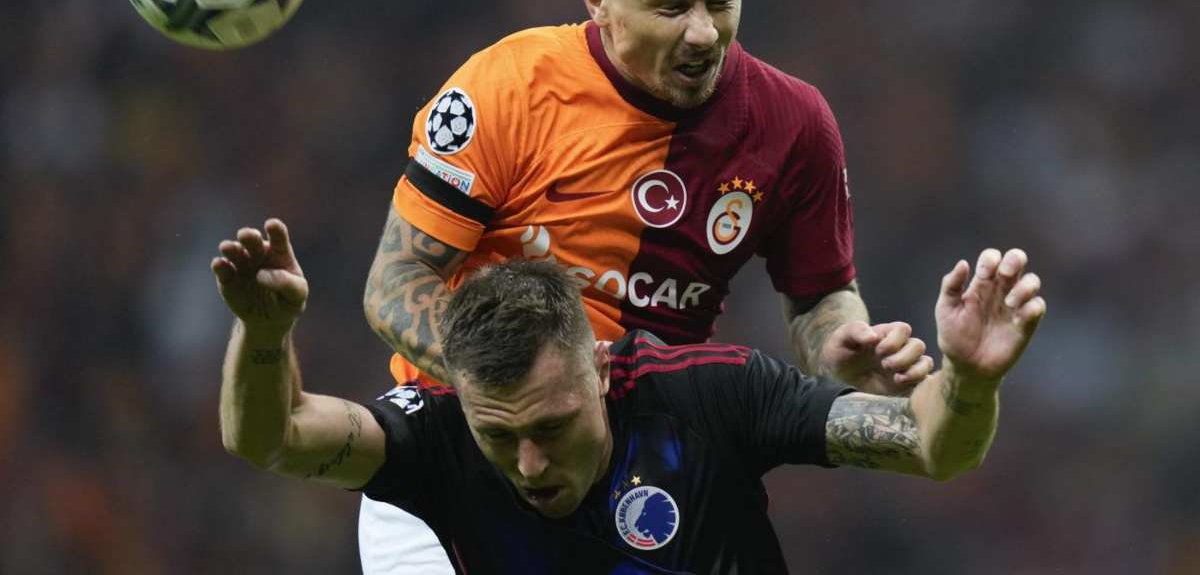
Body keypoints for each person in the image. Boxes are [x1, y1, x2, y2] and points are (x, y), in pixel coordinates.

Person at [360, 0, 934, 571]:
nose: (703, 33)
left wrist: (836, 349)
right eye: (672, 5)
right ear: (598, 0)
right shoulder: (508, 88)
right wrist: (514, 391)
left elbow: (819, 297)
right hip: (469, 447)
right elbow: (395, 281)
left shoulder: (794, 124)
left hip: (655, 461)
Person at [216, 219, 1045, 574]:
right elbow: (271, 436)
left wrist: (968, 380)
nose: (529, 464)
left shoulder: (712, 395)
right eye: (500, 437)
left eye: (552, 427)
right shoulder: (436, 437)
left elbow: (933, 445)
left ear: (603, 371)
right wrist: (263, 334)